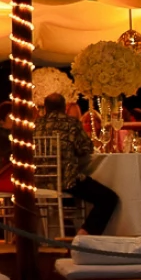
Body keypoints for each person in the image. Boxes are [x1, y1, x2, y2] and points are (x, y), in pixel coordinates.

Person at [35, 92, 118, 235]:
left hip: (39, 181)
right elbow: (86, 149)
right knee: (108, 198)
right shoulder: (71, 123)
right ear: (63, 108)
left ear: (46, 108)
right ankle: (85, 234)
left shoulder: (35, 125)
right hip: (66, 181)